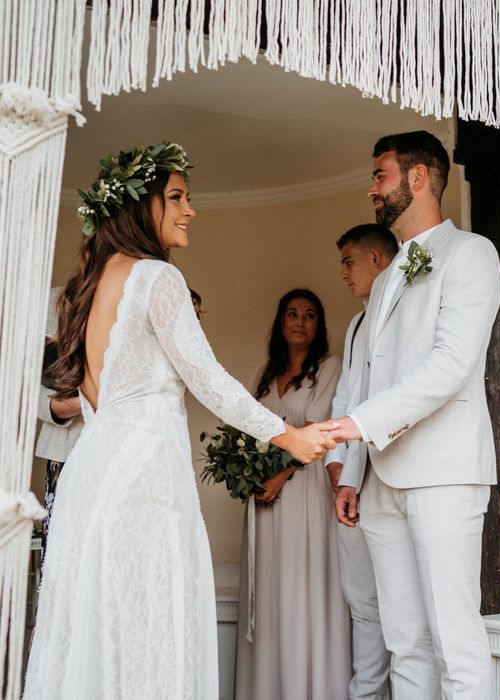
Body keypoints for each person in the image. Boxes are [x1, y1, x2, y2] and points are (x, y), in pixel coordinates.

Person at [23, 142, 335, 699]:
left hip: (89, 477)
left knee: (98, 635)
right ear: (142, 206)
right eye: (177, 198)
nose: (190, 210)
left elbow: (95, 402)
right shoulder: (156, 278)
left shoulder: (90, 287)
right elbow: (208, 378)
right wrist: (288, 434)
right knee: (148, 633)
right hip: (143, 480)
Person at [329, 131, 500, 699]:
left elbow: (451, 366)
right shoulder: (385, 282)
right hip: (381, 482)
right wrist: (353, 472)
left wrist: (360, 426)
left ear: (418, 178)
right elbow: (366, 380)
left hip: (444, 473)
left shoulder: (471, 254)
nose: (372, 188)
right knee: (405, 644)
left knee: (455, 639)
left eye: (381, 176)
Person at [235, 289, 350, 700]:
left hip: (305, 489)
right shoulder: (265, 374)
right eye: (292, 314)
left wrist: (280, 475)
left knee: (304, 583)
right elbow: (248, 430)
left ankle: (313, 687)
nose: (300, 322)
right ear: (280, 323)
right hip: (264, 498)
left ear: (319, 325)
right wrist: (248, 476)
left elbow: (322, 430)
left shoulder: (329, 367)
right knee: (268, 587)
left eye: (310, 315)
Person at [324, 223, 397, 700]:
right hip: (351, 483)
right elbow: (347, 397)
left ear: (375, 259)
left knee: (404, 608)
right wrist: (335, 461)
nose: (343, 273)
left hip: (391, 475)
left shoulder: (401, 312)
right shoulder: (354, 325)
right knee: (362, 605)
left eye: (349, 262)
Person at [36, 289, 84, 559]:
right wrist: (62, 406)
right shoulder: (57, 300)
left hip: (132, 448)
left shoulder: (145, 293)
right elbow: (22, 381)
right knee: (63, 558)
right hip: (67, 450)